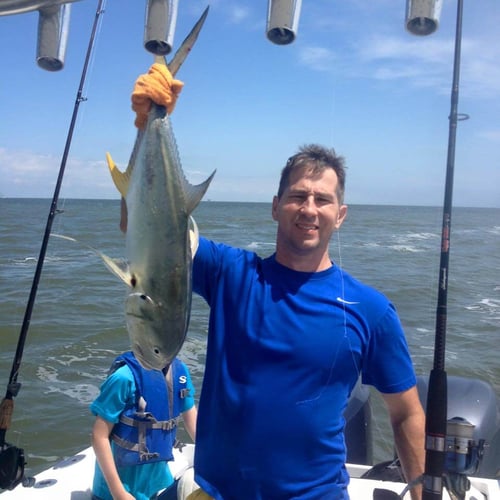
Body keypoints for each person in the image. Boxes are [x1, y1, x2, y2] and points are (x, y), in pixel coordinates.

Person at [127, 65, 425, 499]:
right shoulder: (231, 273)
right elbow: (147, 236)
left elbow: (407, 412)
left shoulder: (371, 311)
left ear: (340, 216)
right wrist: (145, 127)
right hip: (216, 491)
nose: (309, 208)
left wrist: (419, 492)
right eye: (297, 196)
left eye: (323, 199)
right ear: (275, 206)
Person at [90, 351, 197, 500]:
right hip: (115, 491)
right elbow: (99, 436)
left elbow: (192, 419)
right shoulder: (123, 378)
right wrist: (119, 493)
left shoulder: (180, 372)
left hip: (157, 484)